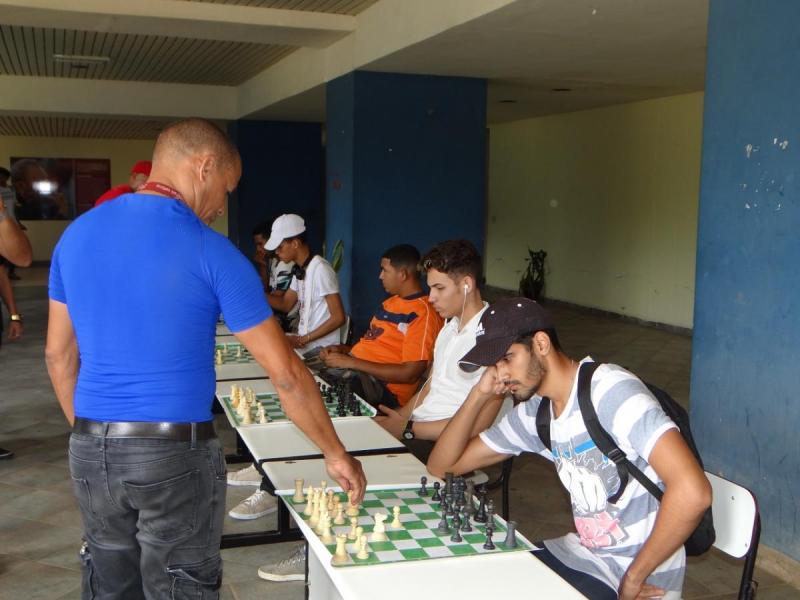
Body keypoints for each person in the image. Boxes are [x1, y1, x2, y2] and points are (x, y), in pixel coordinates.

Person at [45, 118, 366, 599]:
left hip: (91, 445)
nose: (221, 206)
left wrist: (97, 439)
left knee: (108, 584)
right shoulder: (211, 251)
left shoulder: (76, 235)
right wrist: (335, 451)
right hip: (174, 452)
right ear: (204, 166)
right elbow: (288, 376)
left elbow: (58, 354)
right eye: (226, 188)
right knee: (180, 586)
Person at [427, 297, 712, 600]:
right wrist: (479, 394)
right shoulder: (537, 413)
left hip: (642, 573)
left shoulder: (610, 391)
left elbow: (694, 493)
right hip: (586, 558)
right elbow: (442, 466)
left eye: (507, 358)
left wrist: (633, 577)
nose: (500, 374)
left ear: (541, 344)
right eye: (493, 364)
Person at [374, 240, 505, 452]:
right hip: (419, 428)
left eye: (439, 288)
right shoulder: (448, 327)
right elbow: (429, 389)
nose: (431, 297)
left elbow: (477, 427)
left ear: (467, 285)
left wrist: (407, 429)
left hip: (448, 443)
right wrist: (397, 419)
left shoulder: (493, 338)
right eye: (430, 288)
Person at [319, 244, 443, 409]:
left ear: (403, 274)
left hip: (384, 389)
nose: (380, 276)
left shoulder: (423, 312)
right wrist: (342, 350)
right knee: (306, 377)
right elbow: (374, 347)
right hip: (359, 372)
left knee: (317, 395)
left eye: (385, 270)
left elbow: (410, 374)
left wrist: (351, 363)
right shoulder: (388, 304)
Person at [265, 214, 345, 350]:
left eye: (280, 246)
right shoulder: (300, 270)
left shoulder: (321, 269)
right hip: (306, 345)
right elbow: (285, 304)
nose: (277, 252)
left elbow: (338, 317)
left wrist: (303, 339)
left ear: (295, 243)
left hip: (322, 350)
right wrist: (253, 294)